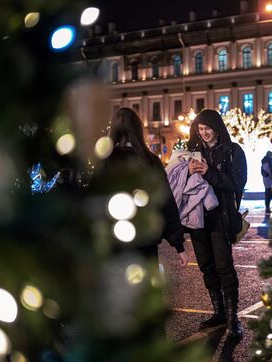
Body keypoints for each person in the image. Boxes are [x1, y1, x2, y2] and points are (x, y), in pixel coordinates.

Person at [187, 109, 247, 339]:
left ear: (217, 127)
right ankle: (219, 312)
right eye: (200, 130)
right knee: (207, 268)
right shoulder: (193, 152)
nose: (204, 134)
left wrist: (208, 172)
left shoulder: (233, 151)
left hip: (220, 219)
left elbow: (237, 183)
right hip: (197, 220)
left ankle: (233, 319)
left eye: (207, 128)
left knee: (225, 268)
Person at [106, 107, 189, 267]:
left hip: (113, 241)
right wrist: (179, 245)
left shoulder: (104, 161)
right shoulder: (149, 161)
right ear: (138, 129)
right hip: (145, 239)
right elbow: (166, 203)